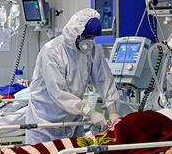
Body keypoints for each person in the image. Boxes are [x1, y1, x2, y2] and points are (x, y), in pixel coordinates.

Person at [25, 8, 120, 144]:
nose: (90, 41)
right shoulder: (52, 51)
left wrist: (113, 110)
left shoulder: (92, 50)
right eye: (87, 37)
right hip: (45, 122)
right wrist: (89, 112)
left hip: (73, 122)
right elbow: (58, 92)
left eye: (92, 38)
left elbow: (104, 78)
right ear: (75, 33)